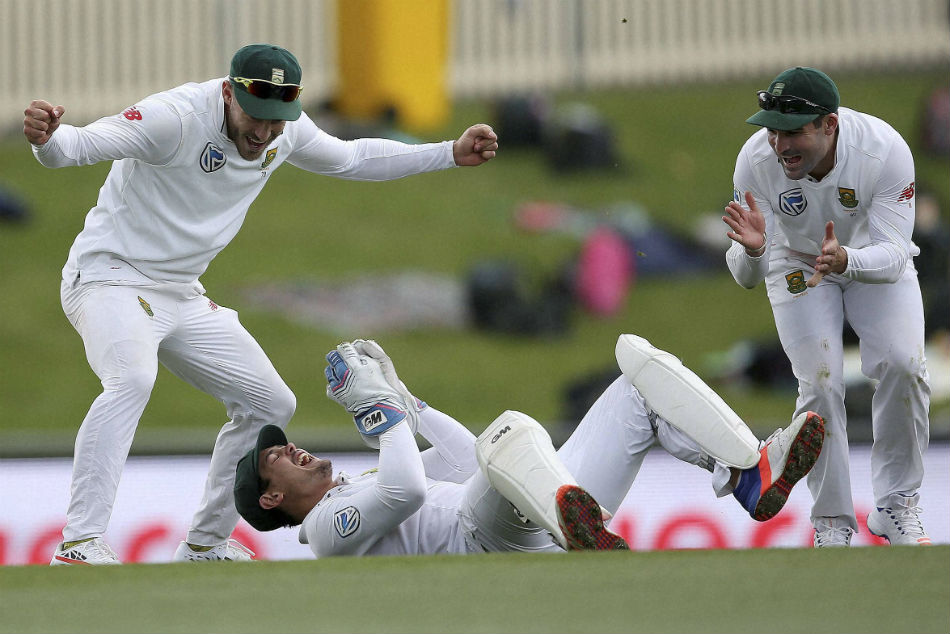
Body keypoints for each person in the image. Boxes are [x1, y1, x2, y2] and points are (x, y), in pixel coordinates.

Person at [24, 43, 499, 566]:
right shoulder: (173, 119)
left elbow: (351, 157)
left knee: (271, 404)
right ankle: (80, 542)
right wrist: (48, 139)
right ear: (229, 93)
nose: (265, 133)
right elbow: (79, 145)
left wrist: (448, 152)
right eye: (256, 117)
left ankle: (204, 544)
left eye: (277, 121)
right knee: (132, 379)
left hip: (180, 290)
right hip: (108, 278)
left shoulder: (283, 128)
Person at [233, 336, 826, 558]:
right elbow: (407, 488)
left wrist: (406, 402)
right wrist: (377, 411)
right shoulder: (325, 532)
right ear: (271, 499)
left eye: (284, 444)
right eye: (275, 458)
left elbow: (464, 457)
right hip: (484, 539)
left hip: (524, 517)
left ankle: (750, 473)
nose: (292, 448)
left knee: (636, 374)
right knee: (509, 430)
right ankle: (573, 526)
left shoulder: (357, 485)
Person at [722, 67, 932, 547]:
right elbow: (747, 276)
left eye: (793, 132)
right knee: (819, 383)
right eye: (773, 132)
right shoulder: (755, 160)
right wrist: (755, 251)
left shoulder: (883, 150)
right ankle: (832, 522)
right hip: (795, 262)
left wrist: (847, 260)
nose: (780, 146)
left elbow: (895, 254)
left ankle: (896, 506)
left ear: (829, 124)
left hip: (870, 259)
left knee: (904, 364)